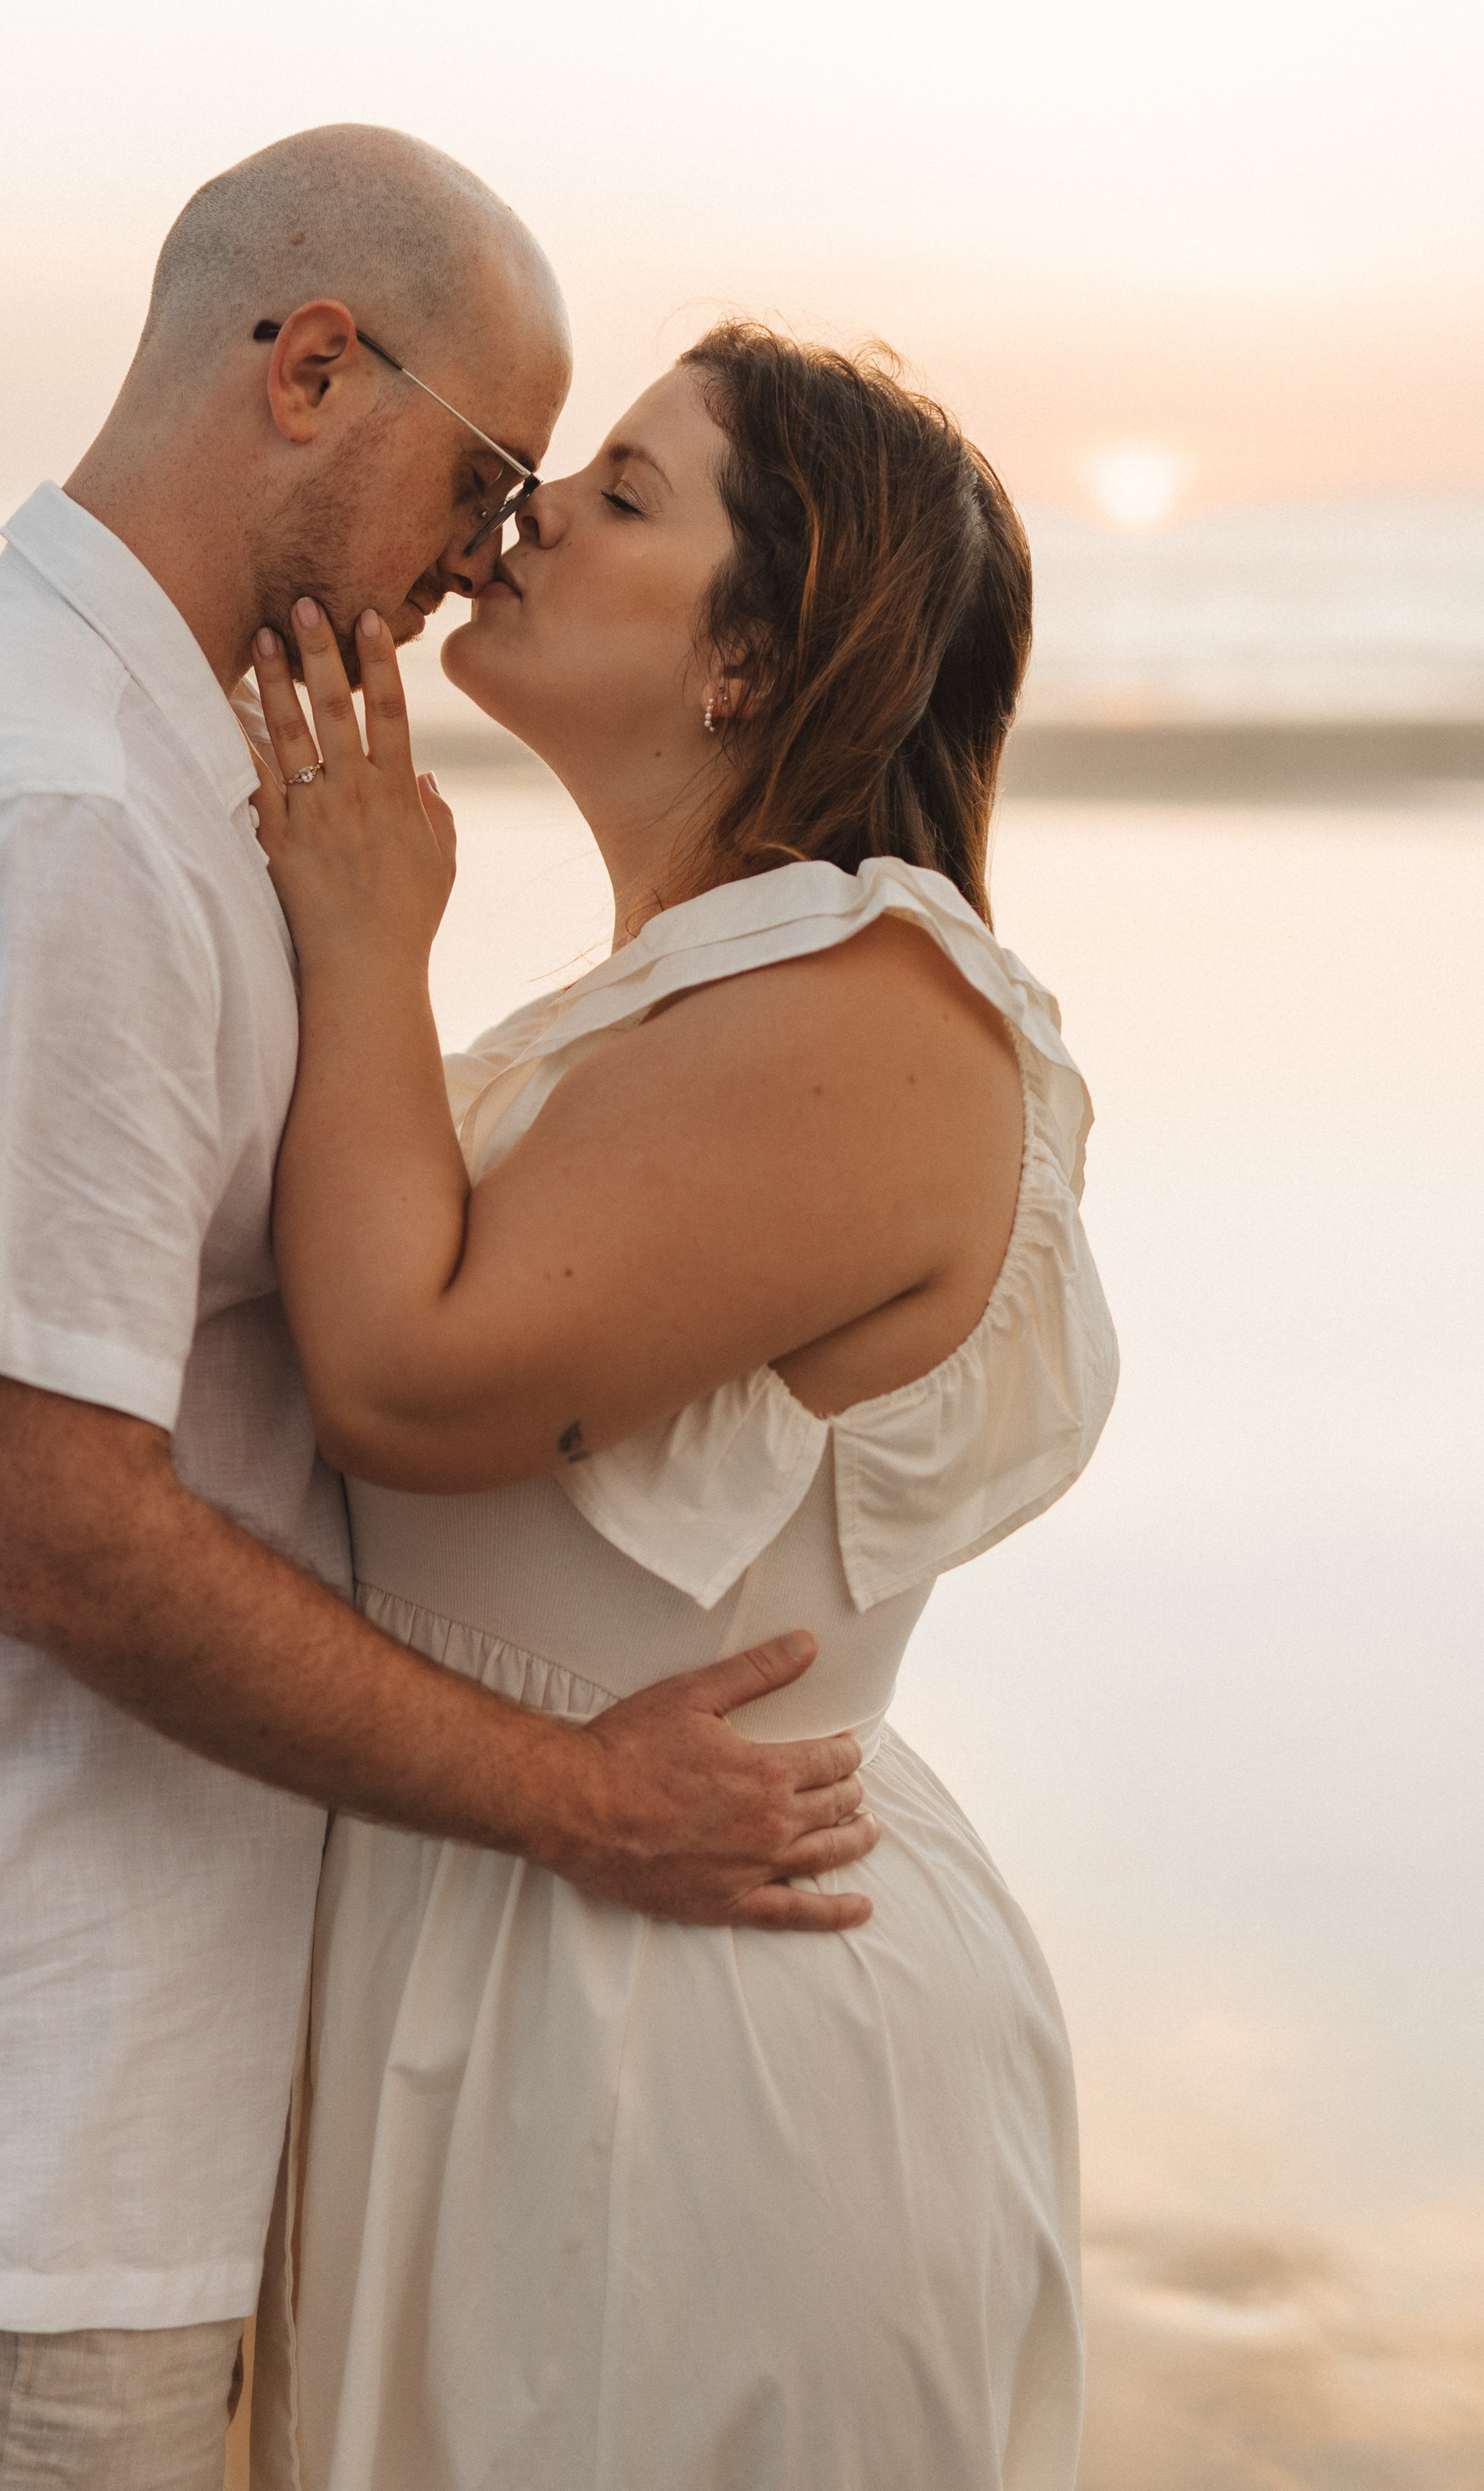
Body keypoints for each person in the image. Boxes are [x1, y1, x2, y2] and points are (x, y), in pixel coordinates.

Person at [0, 131, 881, 2491]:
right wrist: (585, 1800)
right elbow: (66, 1536)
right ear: (311, 371)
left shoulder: (148, 780)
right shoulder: (54, 826)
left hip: (29, 2136)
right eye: (486, 478)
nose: (488, 556)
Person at [242, 326, 1119, 2491]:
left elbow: (404, 1381)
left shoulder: (874, 1004)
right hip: (528, 1921)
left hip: (683, 2012)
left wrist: (367, 934)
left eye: (623, 492)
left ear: (755, 656)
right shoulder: (688, 1000)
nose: (524, 510)